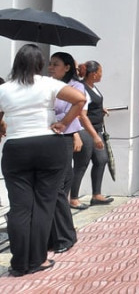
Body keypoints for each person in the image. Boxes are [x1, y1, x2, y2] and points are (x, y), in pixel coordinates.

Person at [0, 44, 86, 277]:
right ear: (39, 64)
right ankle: (38, 259)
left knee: (20, 208)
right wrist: (65, 123)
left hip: (16, 148)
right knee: (44, 205)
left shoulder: (5, 88)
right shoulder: (49, 83)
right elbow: (79, 99)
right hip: (49, 145)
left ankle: (19, 263)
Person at [47, 52, 97, 254]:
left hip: (64, 136)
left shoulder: (75, 87)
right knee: (56, 186)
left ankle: (64, 231)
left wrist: (69, 127)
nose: (51, 68)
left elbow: (75, 110)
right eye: (49, 64)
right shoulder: (47, 84)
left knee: (61, 185)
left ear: (67, 67)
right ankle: (60, 229)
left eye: (55, 64)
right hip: (47, 138)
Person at [72, 60, 113, 207]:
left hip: (97, 128)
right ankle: (73, 197)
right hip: (85, 130)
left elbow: (93, 105)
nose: (102, 75)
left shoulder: (93, 87)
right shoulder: (81, 88)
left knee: (101, 160)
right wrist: (94, 136)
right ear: (94, 74)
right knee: (81, 164)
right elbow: (82, 114)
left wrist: (101, 109)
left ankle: (96, 194)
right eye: (100, 72)